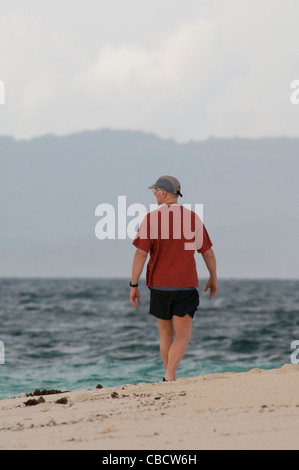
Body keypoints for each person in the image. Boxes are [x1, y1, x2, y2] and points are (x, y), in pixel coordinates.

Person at [130, 175, 218, 382]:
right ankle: (170, 376)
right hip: (185, 284)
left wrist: (134, 284)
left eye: (155, 191)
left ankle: (169, 376)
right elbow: (207, 253)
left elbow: (141, 254)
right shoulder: (192, 218)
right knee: (183, 336)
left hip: (159, 284)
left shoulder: (151, 219)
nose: (154, 195)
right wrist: (213, 277)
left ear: (163, 193)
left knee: (165, 334)